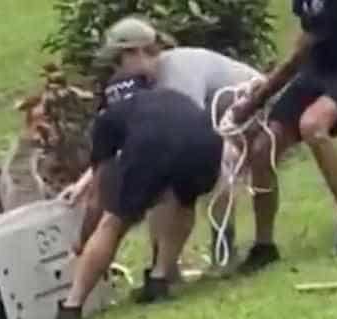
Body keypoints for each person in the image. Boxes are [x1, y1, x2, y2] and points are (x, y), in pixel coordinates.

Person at [61, 17, 266, 276]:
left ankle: (224, 252)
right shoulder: (145, 83)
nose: (116, 71)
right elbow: (118, 146)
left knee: (220, 159)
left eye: (117, 61)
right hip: (217, 121)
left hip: (257, 113)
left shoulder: (178, 72)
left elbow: (192, 132)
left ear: (138, 52)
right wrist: (82, 185)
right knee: (160, 177)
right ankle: (163, 267)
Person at [229, 0, 337, 271]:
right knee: (263, 147)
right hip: (322, 69)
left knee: (313, 125)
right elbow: (305, 35)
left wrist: (257, 100)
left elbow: (301, 51)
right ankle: (264, 246)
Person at [52, 71, 224, 319]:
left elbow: (98, 197)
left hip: (151, 143)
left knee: (114, 221)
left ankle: (71, 308)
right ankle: (159, 279)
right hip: (205, 139)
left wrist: (82, 242)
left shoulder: (108, 119)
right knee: (183, 201)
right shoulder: (169, 96)